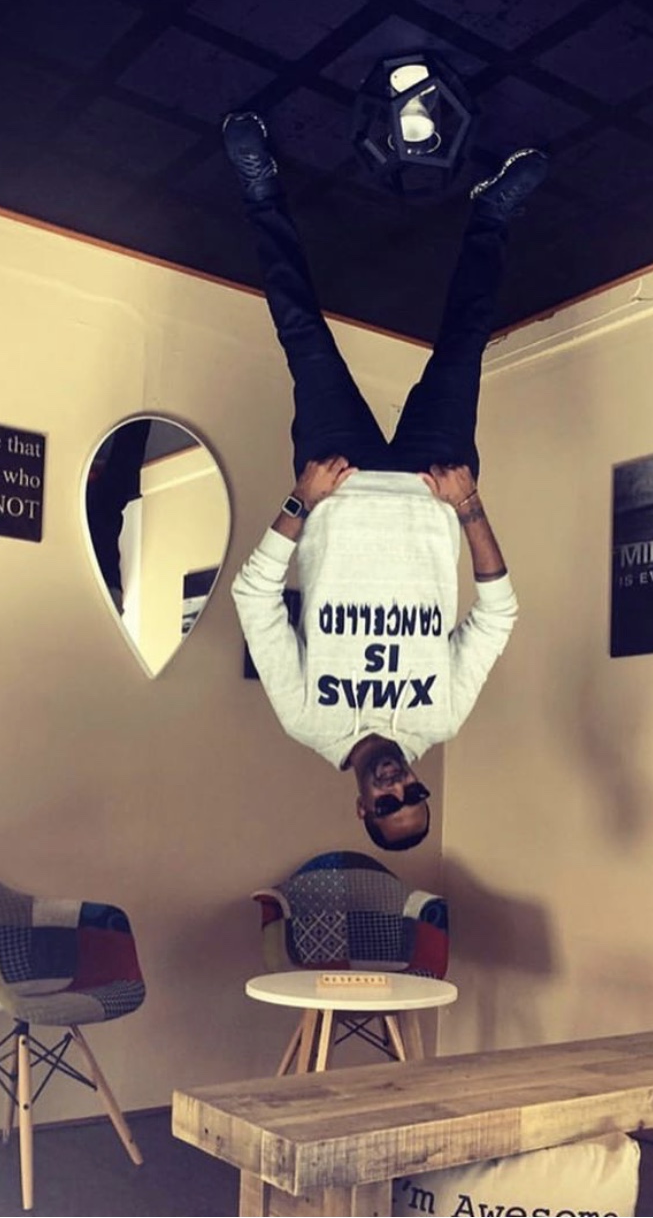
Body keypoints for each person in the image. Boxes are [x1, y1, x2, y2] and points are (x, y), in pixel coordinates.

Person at [225, 110, 546, 851]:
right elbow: (497, 616)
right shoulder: (441, 718)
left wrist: (302, 501)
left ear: (362, 809)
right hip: (434, 490)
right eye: (413, 796)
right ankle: (492, 213)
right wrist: (469, 506)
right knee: (465, 346)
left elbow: (254, 600)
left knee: (303, 334)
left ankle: (259, 188)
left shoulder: (308, 718)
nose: (398, 784)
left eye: (388, 803)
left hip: (336, 486)